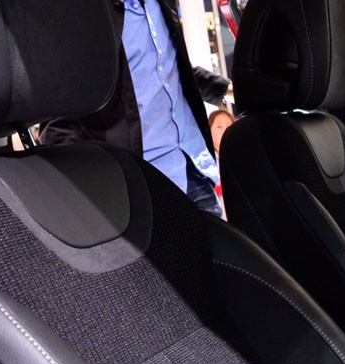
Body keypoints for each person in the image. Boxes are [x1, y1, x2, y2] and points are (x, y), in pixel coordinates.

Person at [40, 0, 225, 217]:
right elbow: (57, 118)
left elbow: (168, 67)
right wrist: (95, 189)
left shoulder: (160, 4)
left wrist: (225, 88)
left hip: (193, 167)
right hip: (138, 186)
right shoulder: (82, 14)